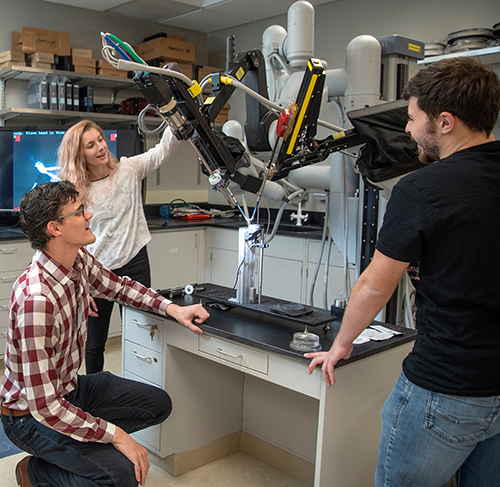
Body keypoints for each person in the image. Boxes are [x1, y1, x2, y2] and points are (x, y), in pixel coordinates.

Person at [305, 56, 500, 487]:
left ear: (445, 122)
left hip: (445, 388)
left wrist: (340, 344)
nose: (408, 130)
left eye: (413, 119)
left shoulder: (422, 188)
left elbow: (376, 285)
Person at [0, 181, 209, 487]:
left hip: (69, 392)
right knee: (121, 475)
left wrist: (171, 308)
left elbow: (120, 287)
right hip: (30, 417)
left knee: (158, 403)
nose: (90, 215)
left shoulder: (77, 262)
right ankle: (36, 472)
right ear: (55, 228)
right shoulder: (37, 301)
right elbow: (44, 406)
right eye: (80, 211)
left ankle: (71, 450)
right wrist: (116, 436)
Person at [58, 120, 179, 374]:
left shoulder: (128, 169)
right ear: (80, 154)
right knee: (95, 342)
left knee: (142, 330)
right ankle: (97, 394)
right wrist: (81, 284)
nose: (100, 147)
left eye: (100, 139)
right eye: (90, 145)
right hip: (98, 272)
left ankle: (141, 385)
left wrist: (176, 122)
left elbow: (163, 152)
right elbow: (72, 240)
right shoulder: (76, 192)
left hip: (135, 261)